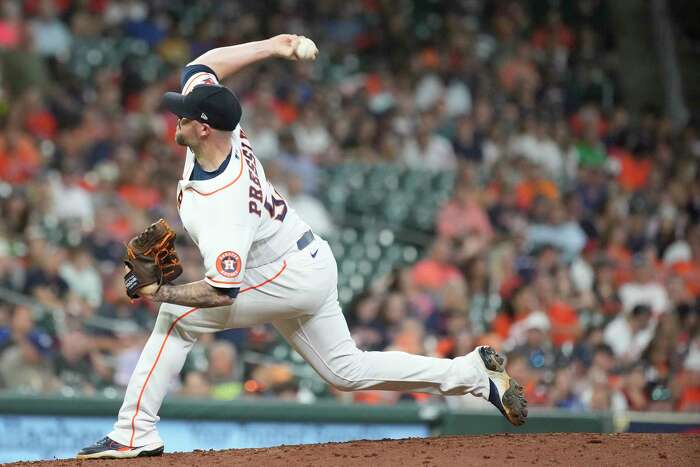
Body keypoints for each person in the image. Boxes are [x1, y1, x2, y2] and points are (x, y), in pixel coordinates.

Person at [77, 35, 527, 459]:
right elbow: (203, 65)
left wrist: (162, 293)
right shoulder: (220, 135)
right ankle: (471, 375)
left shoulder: (225, 205)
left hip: (286, 272)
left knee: (176, 318)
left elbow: (222, 292)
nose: (178, 118)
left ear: (205, 129)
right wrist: (274, 46)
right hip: (304, 257)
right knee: (345, 371)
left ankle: (133, 432)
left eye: (186, 116)